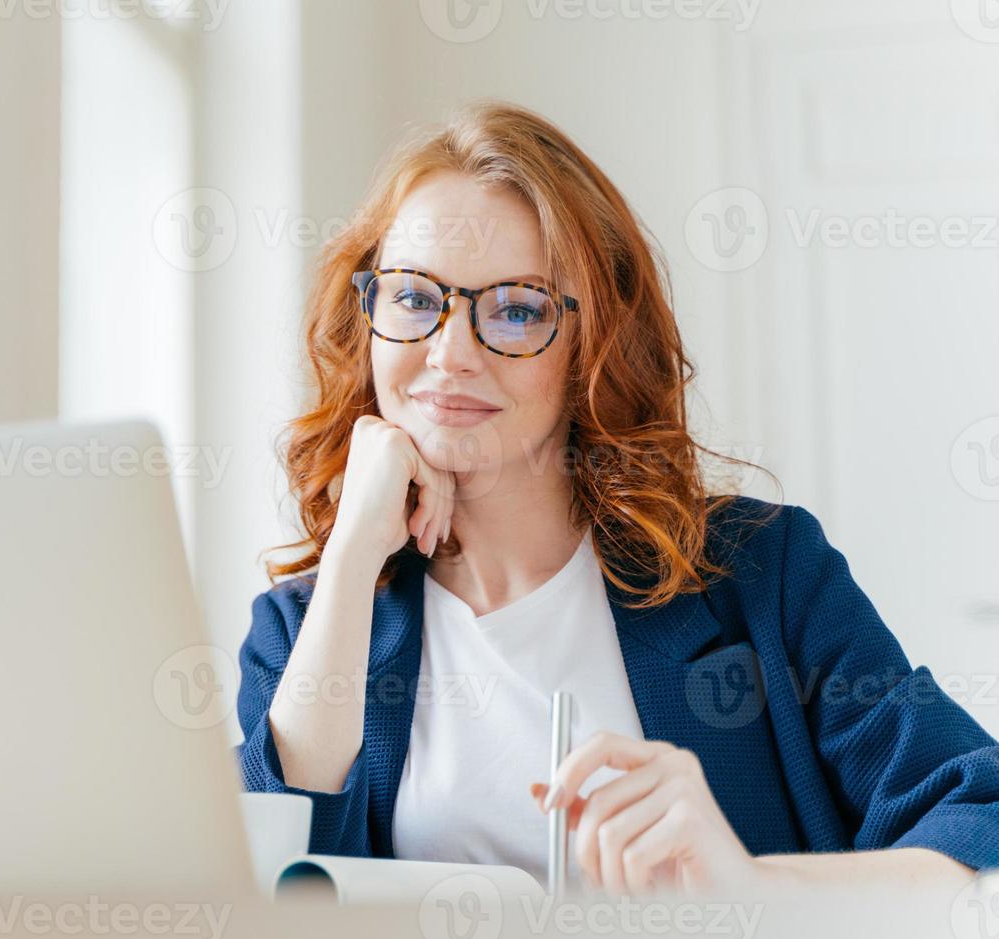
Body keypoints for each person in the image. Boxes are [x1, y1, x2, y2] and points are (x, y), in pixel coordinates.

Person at [234, 99, 999, 897]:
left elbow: (983, 815)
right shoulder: (303, 629)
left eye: (518, 309)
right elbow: (261, 889)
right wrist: (354, 558)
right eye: (415, 299)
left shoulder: (763, 575)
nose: (450, 353)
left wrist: (747, 886)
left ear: (595, 344)